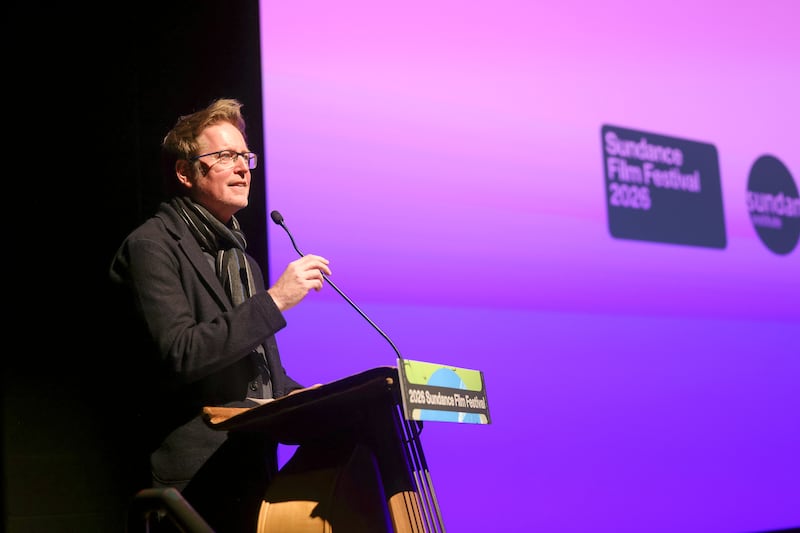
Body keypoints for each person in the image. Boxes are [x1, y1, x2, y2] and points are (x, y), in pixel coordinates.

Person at [108, 97, 331, 532]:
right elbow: (182, 353)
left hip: (251, 474)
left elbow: (259, 377)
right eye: (225, 156)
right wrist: (275, 301)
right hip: (188, 489)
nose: (243, 167)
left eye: (245, 156)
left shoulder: (242, 261)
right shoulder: (151, 247)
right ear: (185, 172)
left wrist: (319, 404)